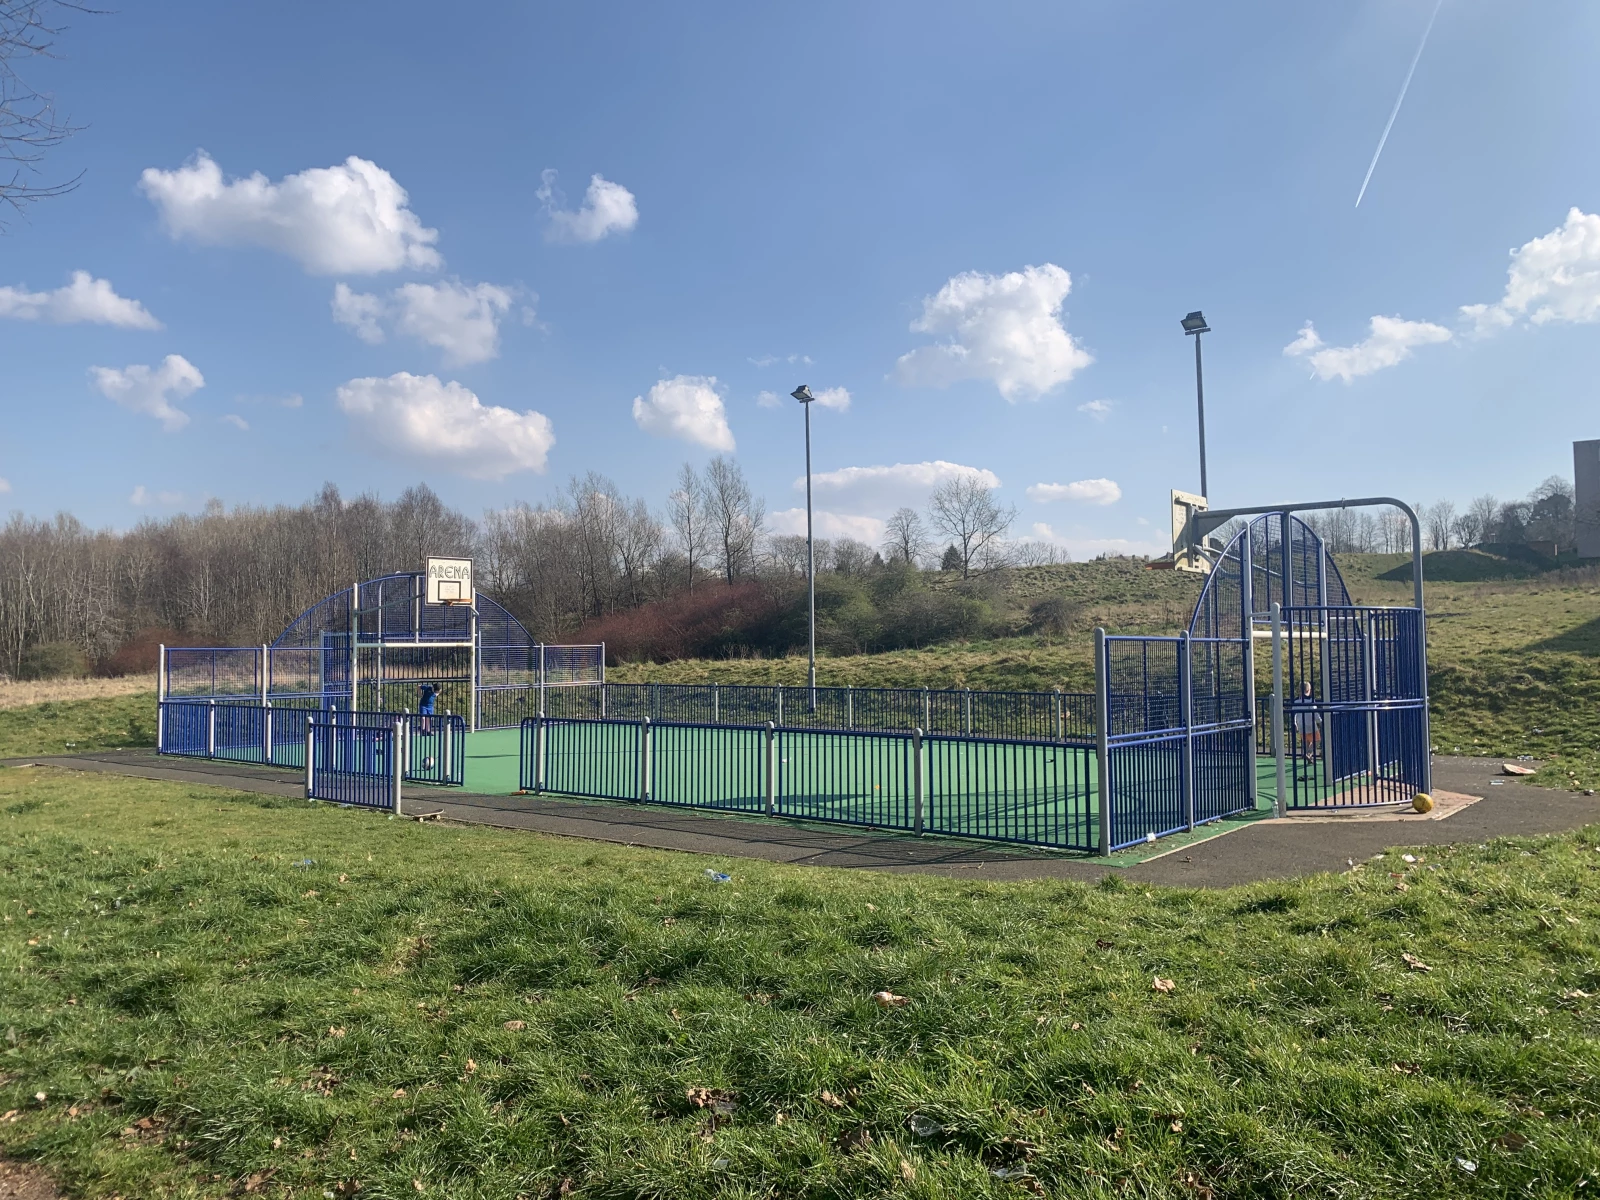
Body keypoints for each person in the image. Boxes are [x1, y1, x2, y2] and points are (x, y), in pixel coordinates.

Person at [1292, 679, 1321, 768]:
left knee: (1307, 741)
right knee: (1317, 740)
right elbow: (1314, 712)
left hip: (1301, 724)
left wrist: (1295, 723)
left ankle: (1308, 756)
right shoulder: (1310, 700)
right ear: (1308, 690)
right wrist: (1319, 720)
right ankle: (1309, 753)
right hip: (1310, 723)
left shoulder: (1296, 701)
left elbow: (1293, 712)